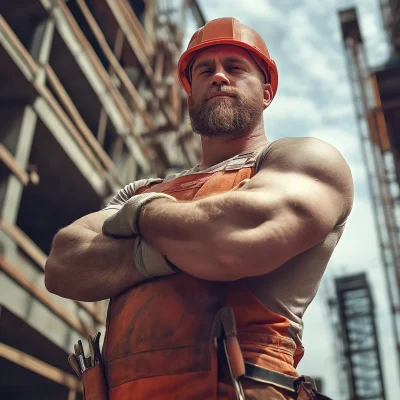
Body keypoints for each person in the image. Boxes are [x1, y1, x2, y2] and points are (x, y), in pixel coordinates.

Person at [45, 17, 353, 400]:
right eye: (205, 70)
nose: (219, 77)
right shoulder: (146, 187)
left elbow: (234, 239)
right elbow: (63, 264)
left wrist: (142, 215)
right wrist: (183, 245)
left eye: (236, 67)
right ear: (190, 94)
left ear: (267, 92)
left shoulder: (304, 159)